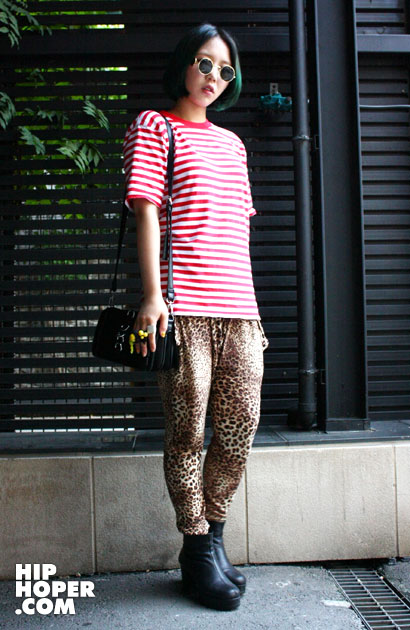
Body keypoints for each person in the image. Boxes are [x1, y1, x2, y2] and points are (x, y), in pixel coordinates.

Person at [122, 23, 269, 611]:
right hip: (183, 309)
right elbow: (146, 212)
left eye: (225, 70)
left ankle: (215, 537)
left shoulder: (233, 145)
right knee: (186, 432)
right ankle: (196, 547)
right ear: (184, 63)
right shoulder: (154, 125)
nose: (214, 77)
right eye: (205, 63)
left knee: (239, 429)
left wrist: (253, 311)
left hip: (239, 312)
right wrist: (152, 296)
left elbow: (237, 234)